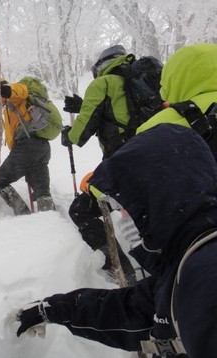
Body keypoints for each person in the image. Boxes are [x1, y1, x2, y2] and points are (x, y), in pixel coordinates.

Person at [11, 43, 217, 358]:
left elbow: (83, 134)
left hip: (146, 184)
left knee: (83, 210)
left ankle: (113, 264)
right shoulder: (141, 86)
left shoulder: (161, 116)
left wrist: (89, 172)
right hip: (198, 221)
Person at [61, 45, 136, 281]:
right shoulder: (145, 82)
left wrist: (68, 135)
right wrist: (84, 104)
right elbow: (124, 111)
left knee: (81, 210)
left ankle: (120, 270)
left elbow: (80, 133)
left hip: (124, 165)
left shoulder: (102, 84)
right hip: (159, 162)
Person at [0, 79, 59, 215]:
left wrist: (5, 88)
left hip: (27, 146)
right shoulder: (20, 102)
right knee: (42, 190)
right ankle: (49, 218)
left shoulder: (17, 94)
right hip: (42, 146)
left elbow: (18, 91)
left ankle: (22, 213)